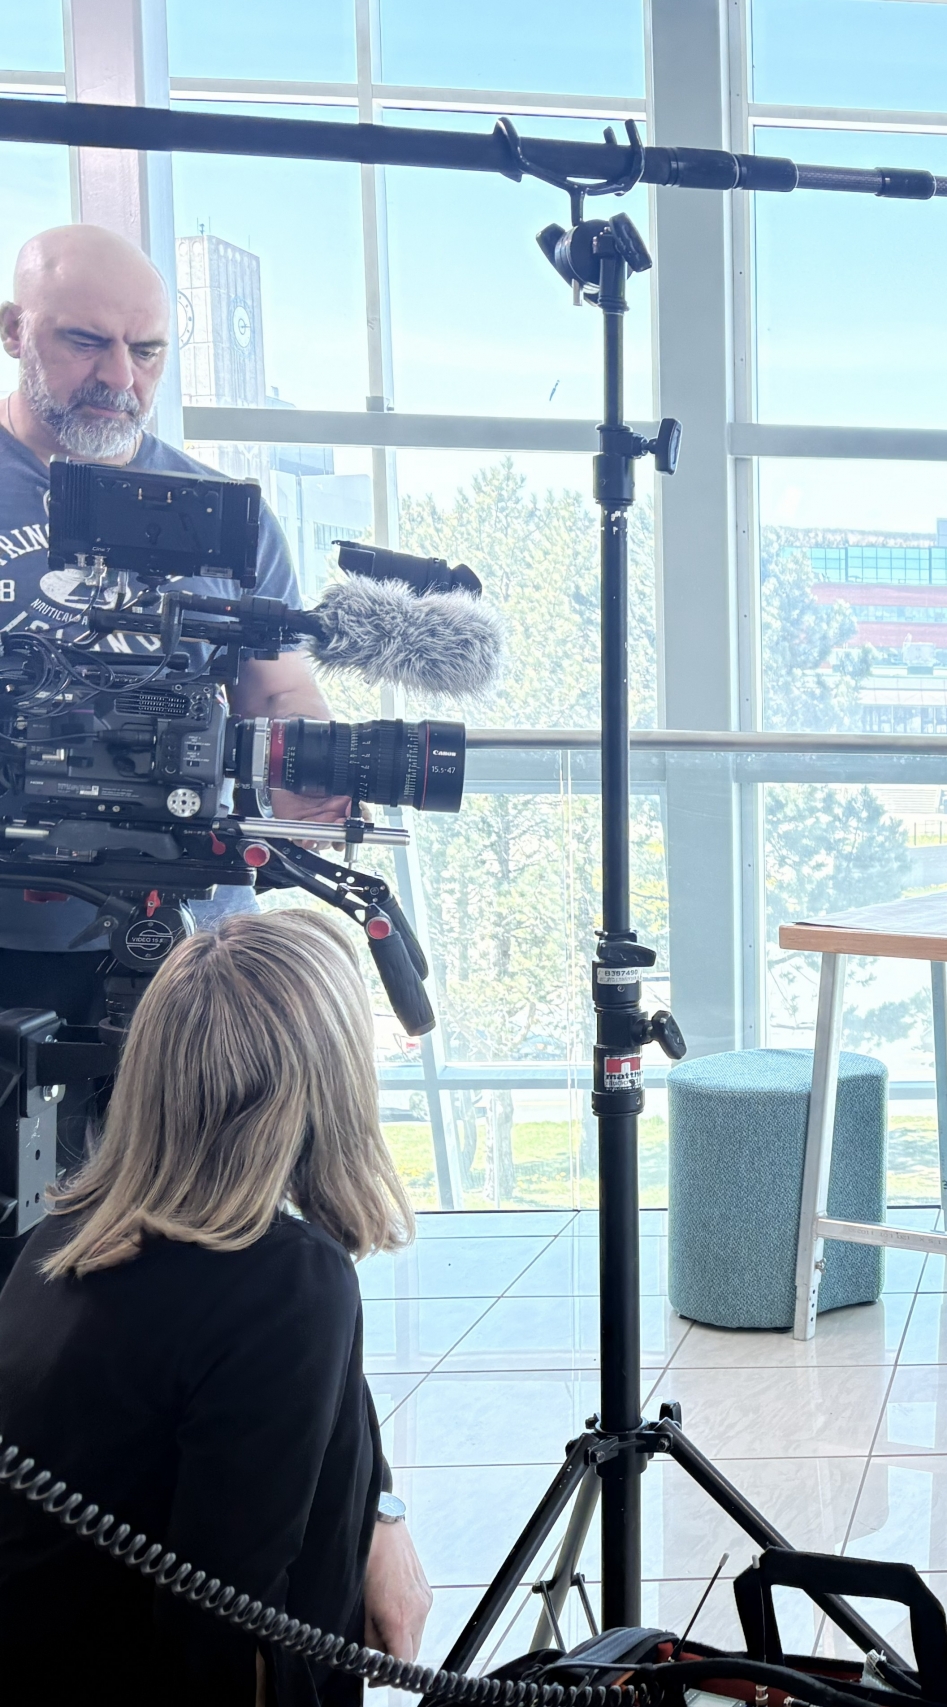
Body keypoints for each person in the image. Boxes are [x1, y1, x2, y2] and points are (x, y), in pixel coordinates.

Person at [0, 224, 352, 1247]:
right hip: (13, 947)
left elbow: (279, 688)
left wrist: (313, 774)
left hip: (185, 948)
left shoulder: (218, 515)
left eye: (146, 351)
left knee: (196, 1252)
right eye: (84, 342)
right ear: (16, 330)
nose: (118, 377)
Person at [0, 910, 433, 1706]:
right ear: (330, 1079)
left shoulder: (63, 1228)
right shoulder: (287, 1281)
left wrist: (381, 1511)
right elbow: (224, 1636)